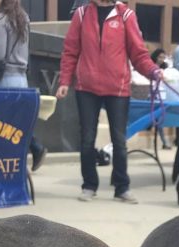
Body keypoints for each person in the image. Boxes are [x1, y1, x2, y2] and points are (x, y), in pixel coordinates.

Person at [57, 0, 162, 204]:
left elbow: (138, 54)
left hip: (118, 88)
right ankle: (89, 185)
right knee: (87, 139)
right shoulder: (81, 14)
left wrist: (153, 71)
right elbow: (70, 51)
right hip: (86, 88)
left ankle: (122, 187)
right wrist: (64, 81)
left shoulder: (126, 16)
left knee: (119, 140)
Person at [0, 0, 48, 171]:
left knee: (1, 129)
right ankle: (30, 153)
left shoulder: (0, 19)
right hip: (21, 79)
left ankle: (27, 153)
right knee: (15, 126)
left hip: (5, 79)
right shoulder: (23, 18)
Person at [150, 48, 172, 150]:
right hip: (151, 95)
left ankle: (164, 142)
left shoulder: (166, 69)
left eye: (163, 57)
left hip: (161, 96)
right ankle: (164, 142)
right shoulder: (150, 66)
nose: (161, 59)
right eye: (160, 57)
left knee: (160, 120)